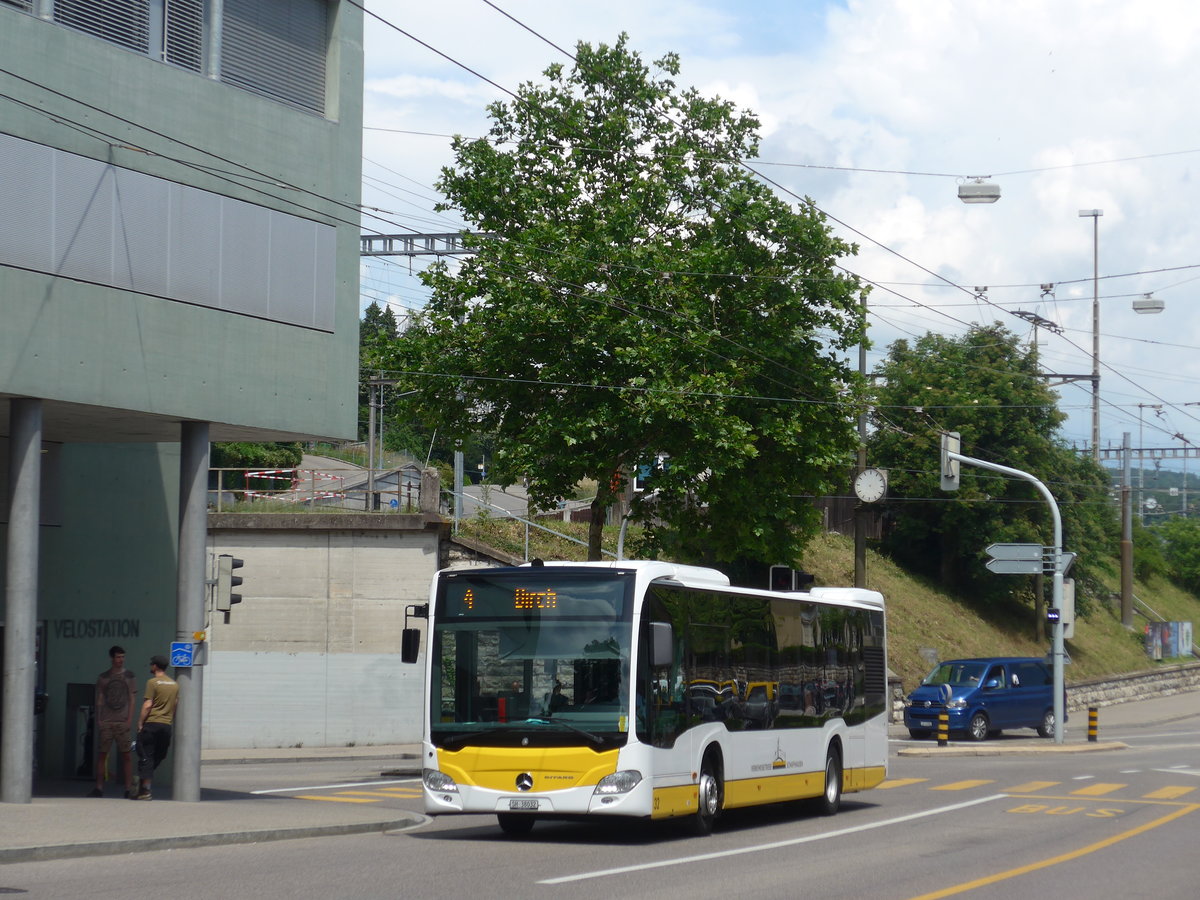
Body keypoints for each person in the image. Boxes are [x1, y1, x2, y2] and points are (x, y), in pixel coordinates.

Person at [90, 645, 137, 798]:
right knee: (102, 754)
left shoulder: (129, 676)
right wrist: (99, 719)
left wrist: (129, 719)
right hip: (107, 721)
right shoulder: (104, 677)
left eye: (122, 657)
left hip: (122, 721)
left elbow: (132, 698)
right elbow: (100, 698)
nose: (120, 660)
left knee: (127, 755)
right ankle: (99, 787)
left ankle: (128, 788)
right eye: (118, 657)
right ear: (112, 658)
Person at [132, 655, 179, 801]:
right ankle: (143, 783)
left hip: (151, 724)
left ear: (156, 666)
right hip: (166, 725)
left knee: (146, 755)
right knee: (159, 755)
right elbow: (175, 705)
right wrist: (169, 719)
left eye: (151, 664)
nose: (150, 666)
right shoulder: (174, 684)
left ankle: (145, 789)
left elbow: (147, 705)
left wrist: (140, 723)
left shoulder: (152, 682)